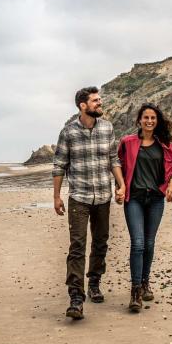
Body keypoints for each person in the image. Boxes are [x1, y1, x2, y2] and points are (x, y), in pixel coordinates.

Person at [53, 86, 125, 320]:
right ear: (82, 106)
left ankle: (94, 282)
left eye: (99, 100)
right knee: (77, 246)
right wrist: (56, 197)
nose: (99, 103)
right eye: (95, 101)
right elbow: (59, 165)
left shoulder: (107, 128)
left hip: (103, 196)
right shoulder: (69, 132)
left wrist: (121, 185)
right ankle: (76, 296)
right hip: (79, 198)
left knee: (101, 242)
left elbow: (113, 159)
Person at [118, 103, 172, 312]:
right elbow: (118, 166)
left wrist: (171, 185)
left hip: (155, 199)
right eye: (146, 118)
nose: (150, 121)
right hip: (134, 198)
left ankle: (145, 282)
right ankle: (135, 291)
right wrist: (120, 188)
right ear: (139, 120)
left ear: (157, 121)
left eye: (153, 118)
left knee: (150, 243)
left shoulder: (165, 144)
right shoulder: (127, 142)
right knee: (138, 243)